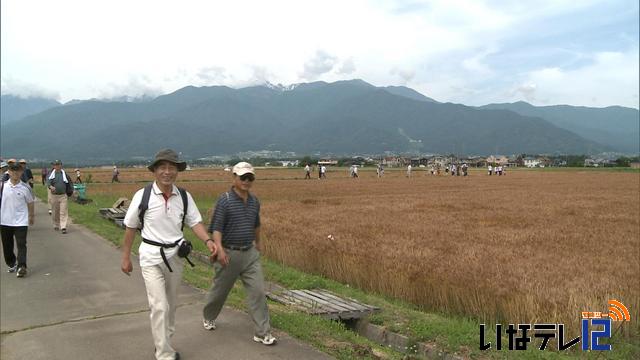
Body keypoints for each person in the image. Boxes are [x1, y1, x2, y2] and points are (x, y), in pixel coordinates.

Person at [121, 149, 217, 360]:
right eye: (162, 167)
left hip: (175, 256)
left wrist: (208, 241)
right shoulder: (142, 195)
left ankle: (164, 341)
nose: (167, 172)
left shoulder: (183, 196)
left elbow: (195, 222)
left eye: (171, 167)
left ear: (177, 171)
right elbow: (130, 227)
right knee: (160, 305)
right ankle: (164, 353)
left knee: (171, 305)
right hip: (150, 256)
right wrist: (126, 258)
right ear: (155, 171)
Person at [203, 162, 276, 346]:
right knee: (220, 291)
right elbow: (217, 228)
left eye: (250, 178)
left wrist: (258, 243)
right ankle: (209, 316)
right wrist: (219, 249)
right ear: (234, 177)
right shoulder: (225, 200)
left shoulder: (254, 201)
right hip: (228, 253)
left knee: (258, 291)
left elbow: (256, 224)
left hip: (249, 254)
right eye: (243, 177)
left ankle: (262, 332)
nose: (246, 181)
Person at [1, 163, 34, 277]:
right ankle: (12, 263)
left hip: (21, 221)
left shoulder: (25, 187)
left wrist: (31, 216)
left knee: (21, 244)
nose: (15, 173)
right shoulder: (2, 186)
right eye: (13, 170)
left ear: (21, 172)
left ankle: (22, 266)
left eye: (18, 170)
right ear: (8, 172)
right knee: (7, 245)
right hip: (4, 221)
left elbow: (30, 202)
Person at [48, 160, 70, 234]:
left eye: (58, 164)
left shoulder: (65, 174)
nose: (57, 166)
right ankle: (56, 224)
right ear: (54, 166)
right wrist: (51, 187)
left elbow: (69, 183)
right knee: (55, 212)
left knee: (63, 211)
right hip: (54, 196)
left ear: (61, 165)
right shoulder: (51, 174)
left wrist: (71, 192)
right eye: (56, 165)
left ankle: (63, 226)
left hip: (63, 195)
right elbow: (48, 183)